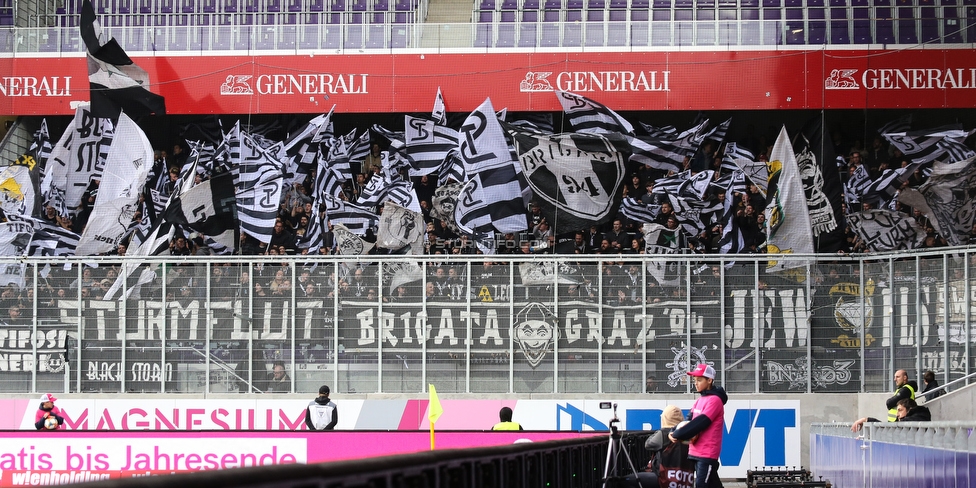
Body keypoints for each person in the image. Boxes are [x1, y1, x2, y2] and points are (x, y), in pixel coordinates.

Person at [670, 364, 727, 488]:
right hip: (695, 451)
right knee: (711, 484)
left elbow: (700, 423)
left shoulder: (715, 400)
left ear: (709, 380)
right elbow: (688, 421)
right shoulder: (700, 400)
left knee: (702, 485)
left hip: (707, 453)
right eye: (695, 380)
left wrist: (678, 434)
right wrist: (673, 430)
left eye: (699, 380)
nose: (696, 383)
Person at [643, 405, 693, 488]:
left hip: (663, 478)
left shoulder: (664, 433)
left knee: (626, 480)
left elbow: (648, 444)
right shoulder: (688, 434)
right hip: (685, 479)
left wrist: (661, 430)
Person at [851, 398, 932, 431]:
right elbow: (888, 427)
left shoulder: (920, 416)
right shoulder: (903, 420)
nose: (897, 414)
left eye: (900, 410)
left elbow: (890, 427)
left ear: (910, 409)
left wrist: (866, 420)